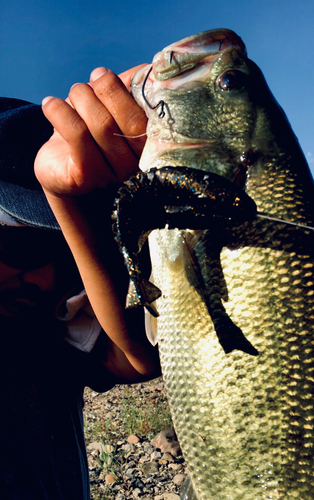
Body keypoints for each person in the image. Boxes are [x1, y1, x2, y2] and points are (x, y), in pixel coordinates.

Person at [0, 65, 160, 499]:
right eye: (21, 248)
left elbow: (141, 356)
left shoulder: (52, 335)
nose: (43, 275)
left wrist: (70, 205)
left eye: (64, 252)